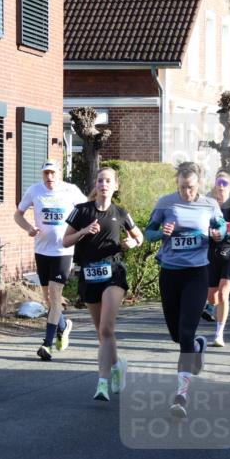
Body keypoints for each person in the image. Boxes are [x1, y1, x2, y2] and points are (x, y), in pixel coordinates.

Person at [145, 161, 227, 418]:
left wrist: (217, 234)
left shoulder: (209, 204)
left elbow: (223, 228)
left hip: (197, 273)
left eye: (191, 188)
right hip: (170, 273)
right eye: (182, 187)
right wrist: (161, 233)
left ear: (199, 184)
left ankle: (181, 394)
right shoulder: (166, 203)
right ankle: (196, 347)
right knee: (176, 334)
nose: (187, 193)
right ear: (177, 183)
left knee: (186, 329)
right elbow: (148, 233)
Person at [62, 167, 143, 401]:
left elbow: (139, 237)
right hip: (89, 273)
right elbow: (65, 241)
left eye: (108, 181)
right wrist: (84, 231)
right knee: (102, 333)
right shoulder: (81, 211)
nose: (104, 184)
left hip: (114, 272)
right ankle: (117, 365)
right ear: (96, 185)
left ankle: (102, 383)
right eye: (100, 180)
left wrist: (131, 244)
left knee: (107, 329)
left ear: (115, 186)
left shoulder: (121, 212)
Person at [15, 159, 86, 360]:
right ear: (42, 175)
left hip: (63, 251)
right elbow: (18, 214)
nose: (49, 177)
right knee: (48, 299)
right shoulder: (34, 190)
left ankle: (47, 344)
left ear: (59, 173)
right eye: (46, 173)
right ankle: (63, 326)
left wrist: (81, 231)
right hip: (41, 250)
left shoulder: (70, 190)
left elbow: (86, 210)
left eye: (53, 173)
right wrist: (29, 228)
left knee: (55, 295)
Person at [201, 172, 230, 347]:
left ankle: (219, 334)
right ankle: (213, 307)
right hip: (211, 254)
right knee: (212, 297)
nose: (221, 186)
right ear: (215, 186)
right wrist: (210, 232)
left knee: (223, 294)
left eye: (225, 183)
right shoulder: (208, 206)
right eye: (218, 183)